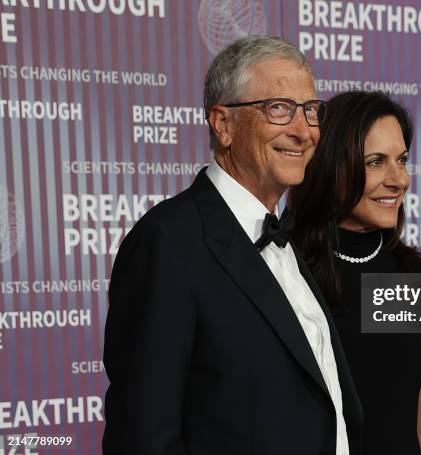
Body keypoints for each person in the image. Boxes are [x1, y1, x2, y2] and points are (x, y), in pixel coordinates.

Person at [102, 36, 362, 455]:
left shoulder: (285, 235)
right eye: (279, 109)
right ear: (223, 124)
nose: (303, 131)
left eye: (311, 110)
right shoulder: (167, 243)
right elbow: (143, 437)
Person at [289, 91, 421, 454]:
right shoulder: (286, 271)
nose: (399, 180)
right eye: (376, 161)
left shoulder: (419, 278)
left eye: (402, 160)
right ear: (332, 165)